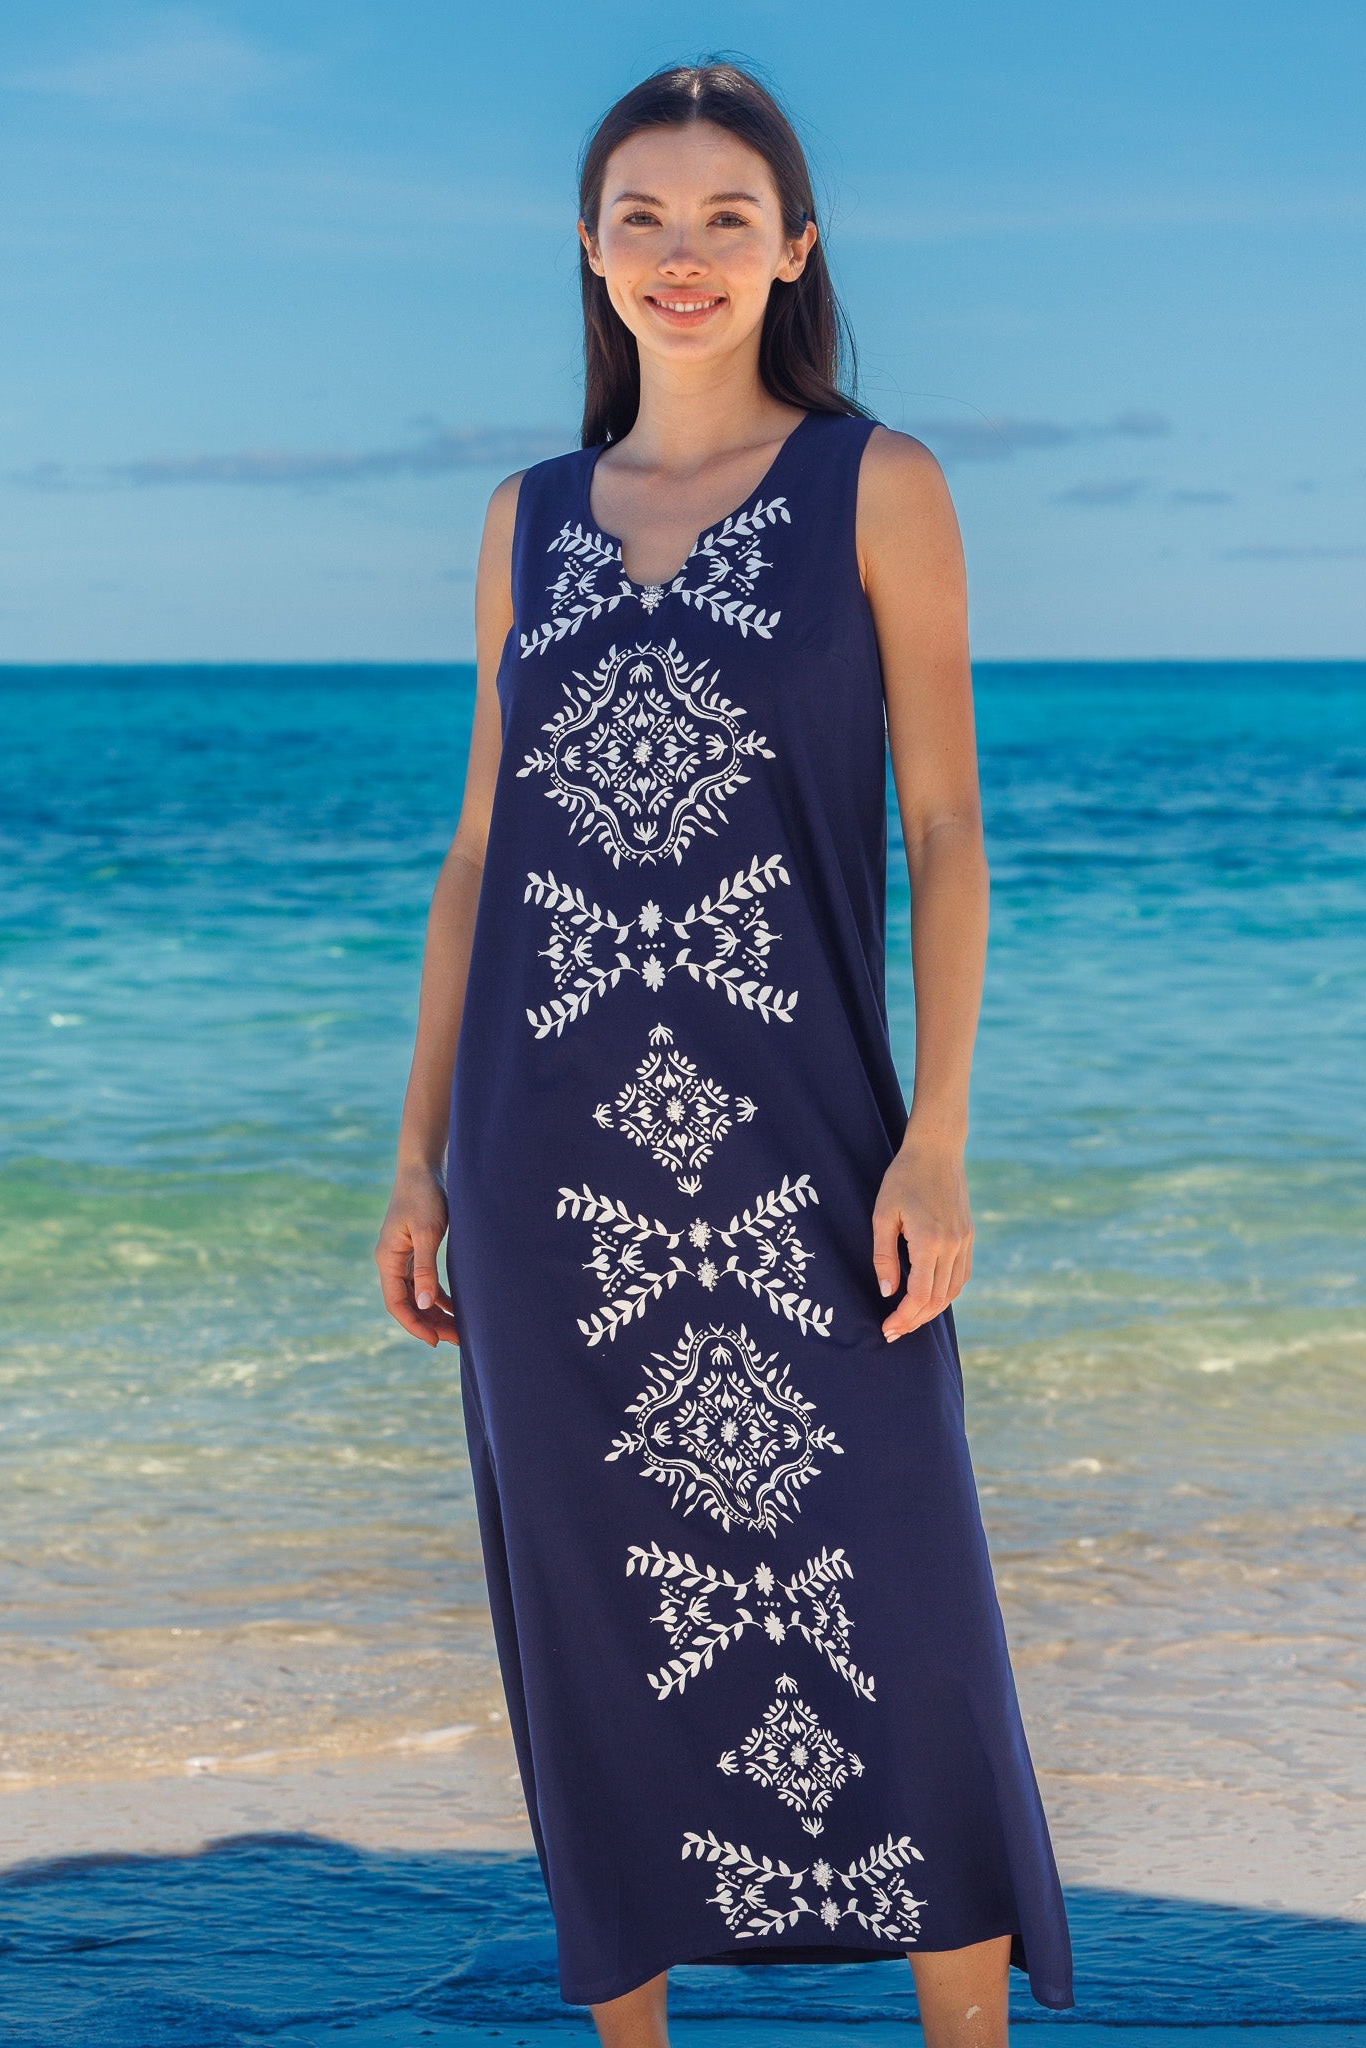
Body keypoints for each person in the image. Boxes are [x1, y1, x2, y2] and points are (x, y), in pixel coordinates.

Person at [375, 58, 1072, 2048]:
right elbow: (482, 849)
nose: (683, 257)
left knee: (906, 1595)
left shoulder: (881, 484)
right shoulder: (524, 520)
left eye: (724, 220)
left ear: (796, 250)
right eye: (644, 220)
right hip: (543, 1179)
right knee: (590, 1622)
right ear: (589, 251)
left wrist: (936, 1137)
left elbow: (944, 826)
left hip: (808, 1145)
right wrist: (415, 1157)